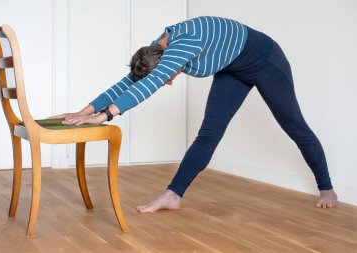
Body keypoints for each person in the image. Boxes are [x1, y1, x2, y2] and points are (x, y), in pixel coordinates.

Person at [49, 16, 338, 211]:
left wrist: (104, 116)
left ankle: (326, 188)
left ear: (167, 64)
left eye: (168, 76)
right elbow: (131, 81)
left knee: (294, 125)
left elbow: (150, 84)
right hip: (232, 68)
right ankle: (173, 195)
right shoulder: (155, 48)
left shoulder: (182, 46)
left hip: (264, 60)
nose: (170, 80)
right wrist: (84, 110)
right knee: (209, 133)